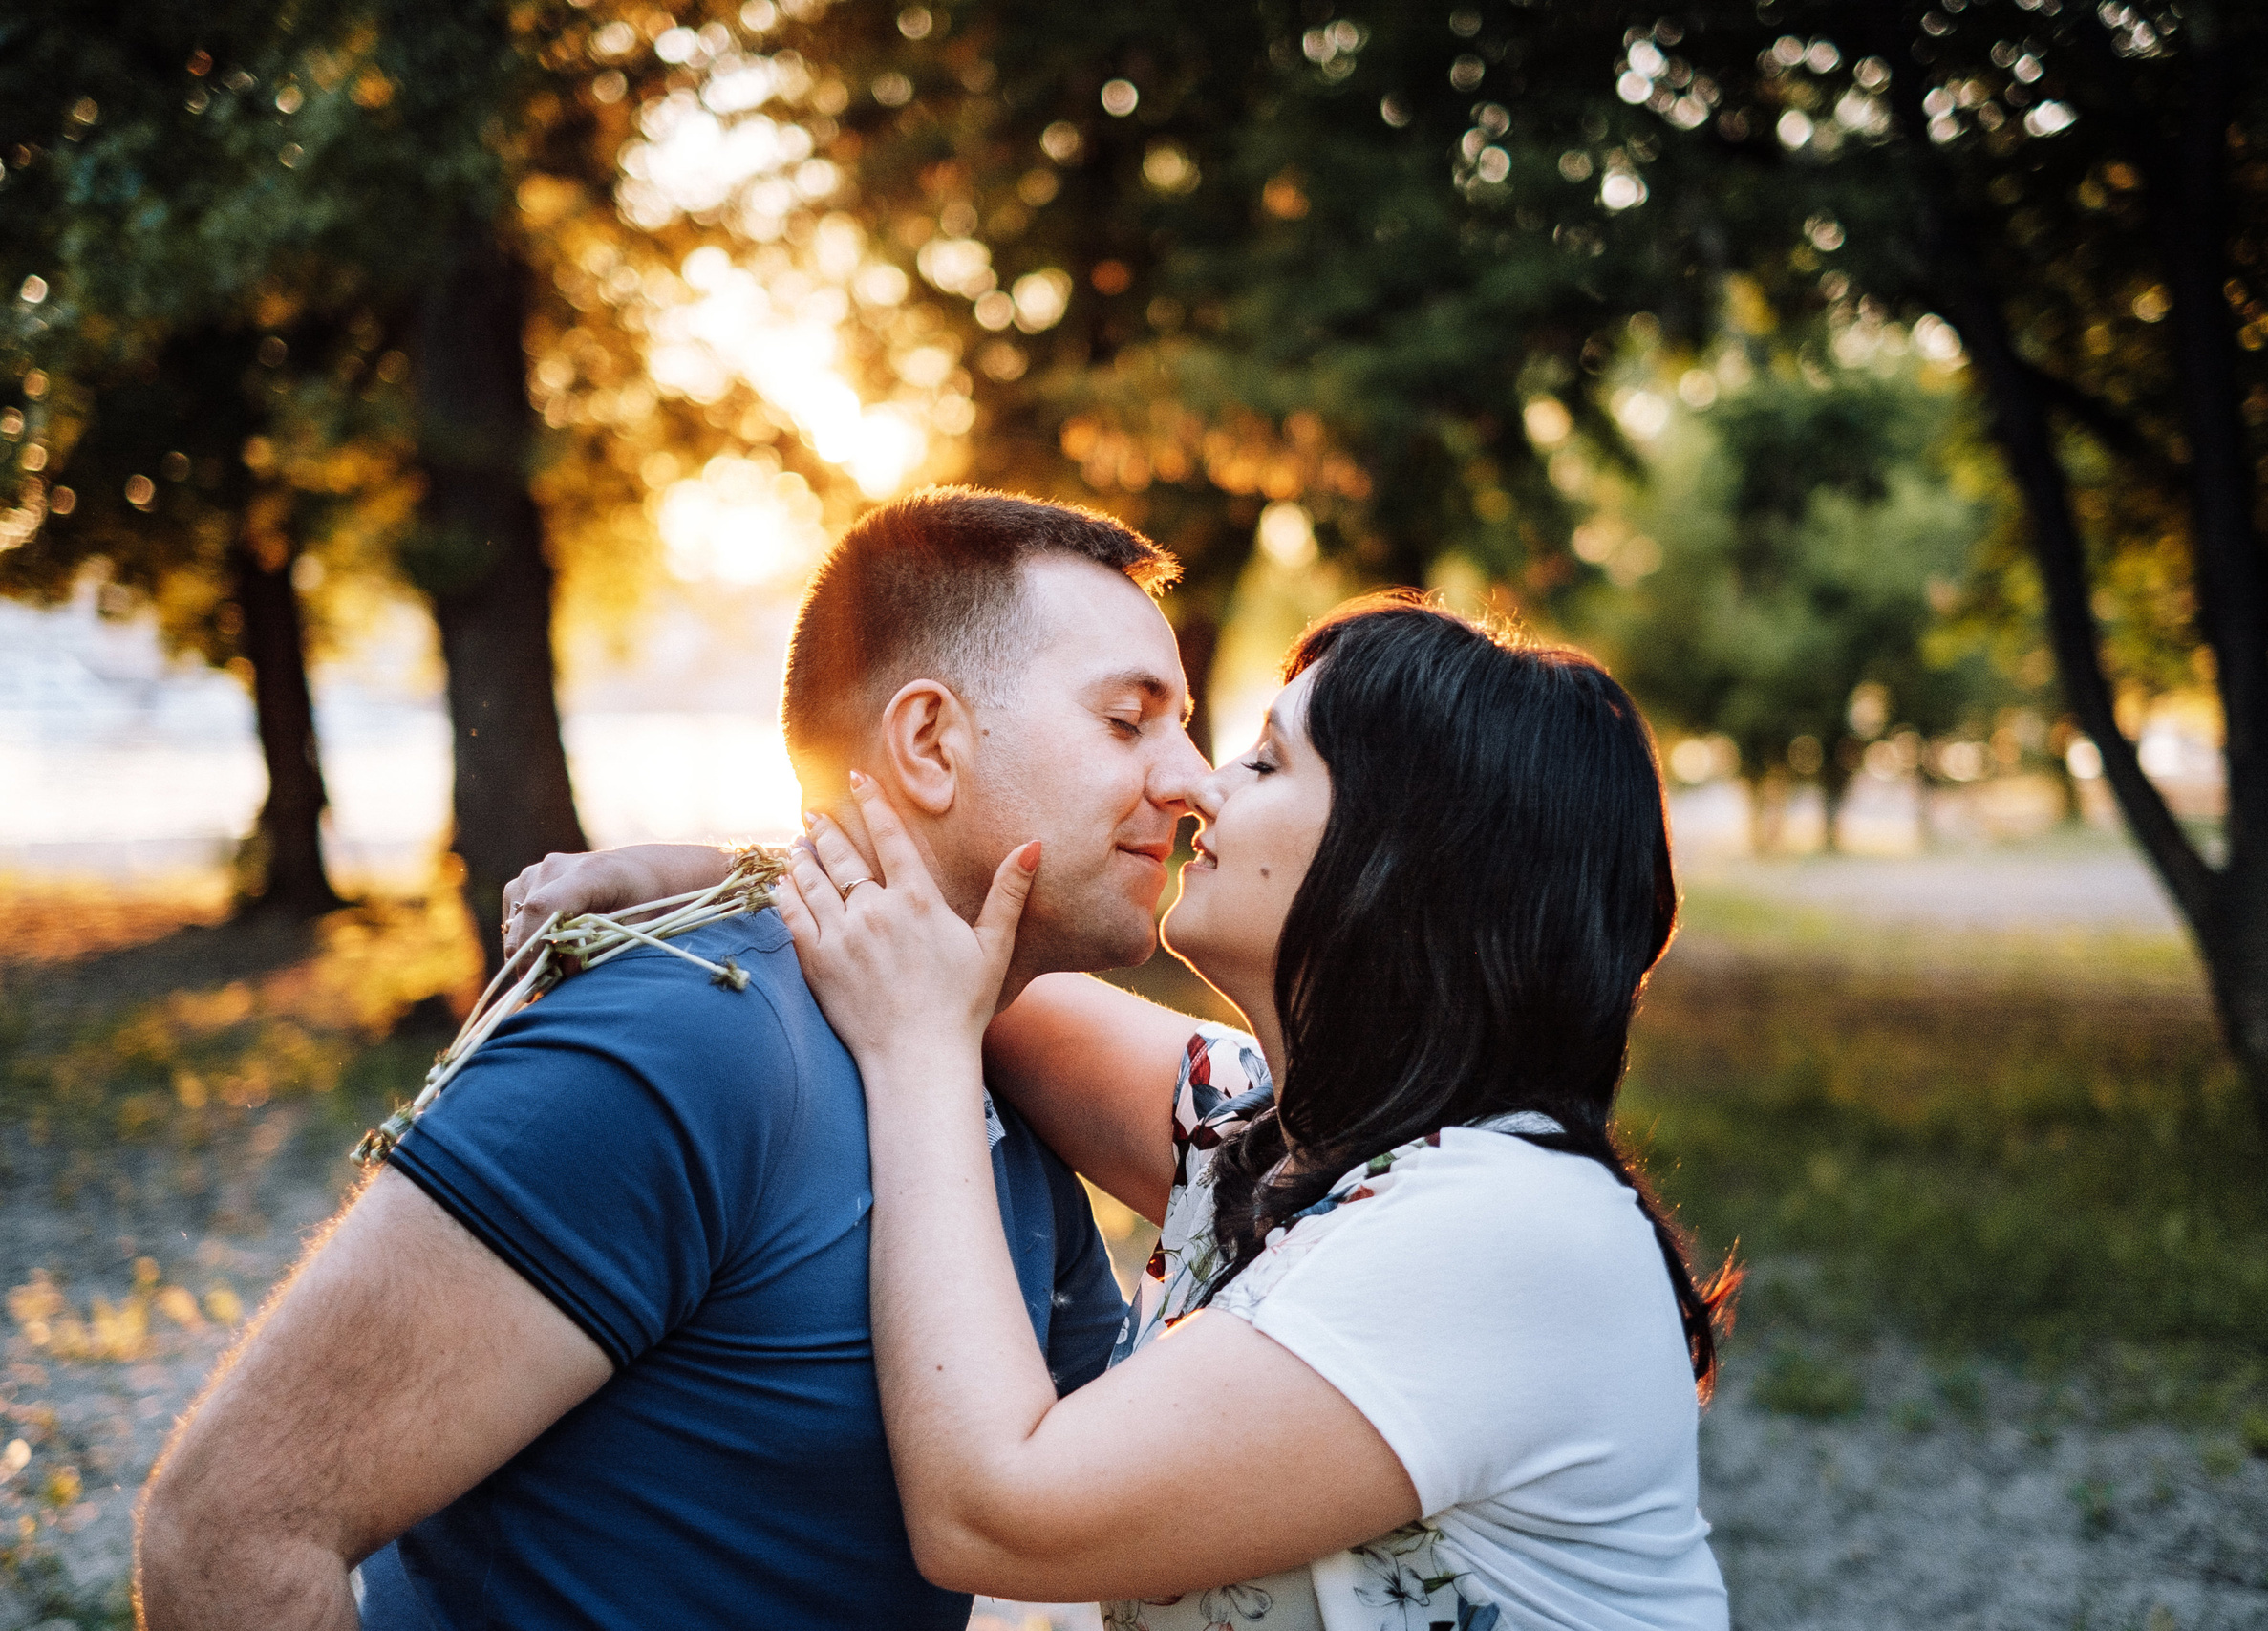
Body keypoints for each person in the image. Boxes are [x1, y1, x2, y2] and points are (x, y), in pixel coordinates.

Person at [132, 488, 1214, 1631]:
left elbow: (1102, 1482)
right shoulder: (684, 1043)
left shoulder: (979, 1072)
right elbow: (228, 1532)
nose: (1193, 778)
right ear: (929, 744)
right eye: (1127, 721)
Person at [568, 596, 1740, 1630]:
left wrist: (919, 1054)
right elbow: (935, 951)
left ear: (1411, 857)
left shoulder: (1501, 1231)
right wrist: (711, 878)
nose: (1197, 787)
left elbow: (994, 1513)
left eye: (1267, 763)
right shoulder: (1274, 1134)